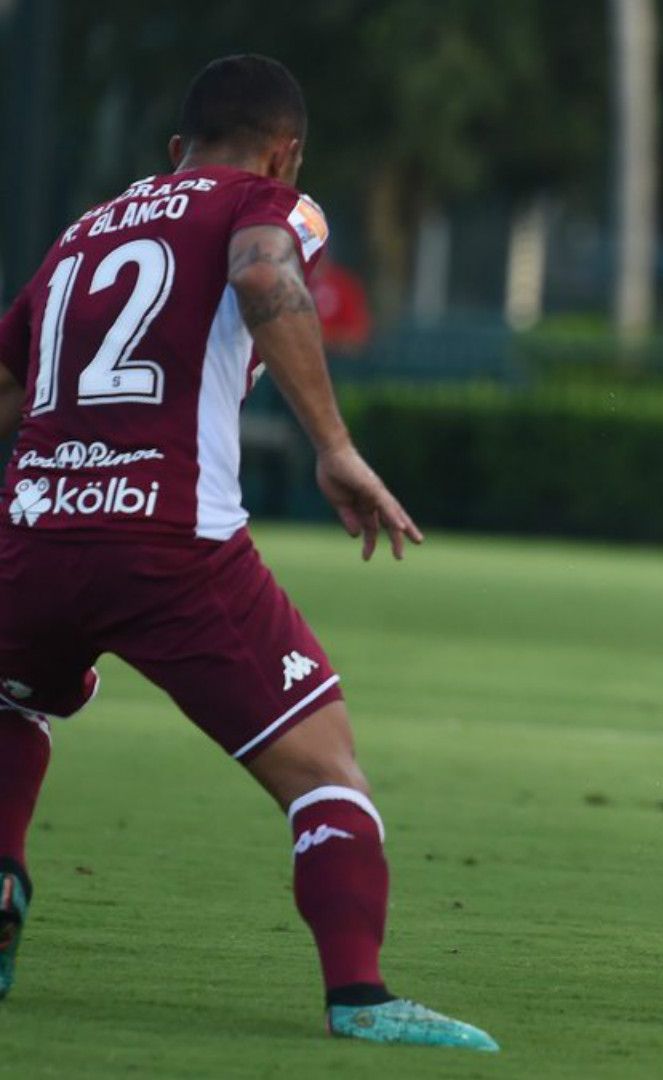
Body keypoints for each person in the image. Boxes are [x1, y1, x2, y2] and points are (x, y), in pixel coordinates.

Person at [0, 56, 494, 1051]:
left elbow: (9, 383)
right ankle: (360, 994)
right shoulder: (269, 202)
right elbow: (266, 270)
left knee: (10, 700)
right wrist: (336, 448)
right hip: (170, 541)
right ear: (286, 151)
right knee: (326, 773)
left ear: (173, 149)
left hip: (33, 529)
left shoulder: (80, 234)